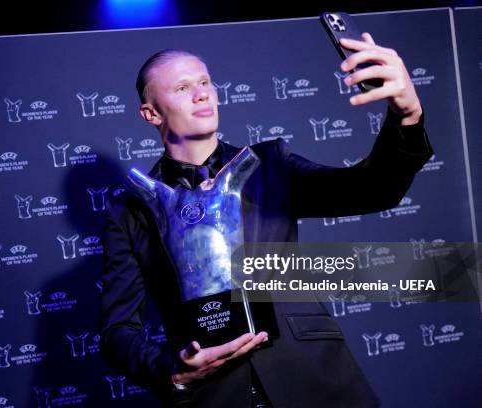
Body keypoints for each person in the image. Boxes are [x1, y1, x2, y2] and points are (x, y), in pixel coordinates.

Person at [99, 33, 433, 407]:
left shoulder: (270, 165)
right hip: (215, 396)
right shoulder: (130, 212)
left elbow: (372, 190)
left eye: (206, 82)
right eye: (182, 87)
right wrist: (173, 372)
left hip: (313, 380)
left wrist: (407, 115)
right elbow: (117, 332)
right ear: (152, 113)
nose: (202, 94)